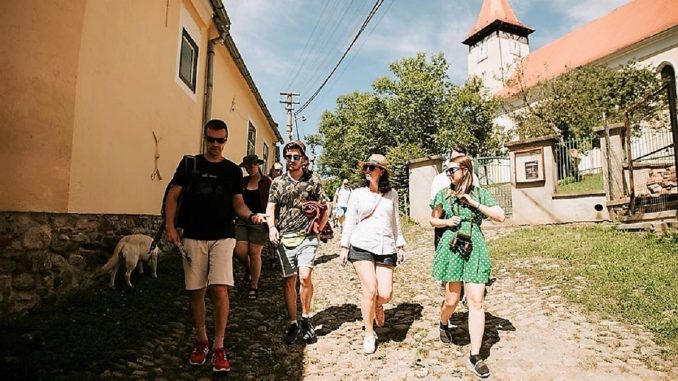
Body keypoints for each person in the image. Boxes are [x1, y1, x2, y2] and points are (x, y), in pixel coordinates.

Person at [165, 119, 265, 373]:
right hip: (193, 235)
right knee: (196, 291)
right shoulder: (190, 165)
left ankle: (219, 345)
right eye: (211, 139)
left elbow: (238, 204)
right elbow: (173, 196)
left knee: (219, 290)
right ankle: (202, 341)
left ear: (225, 141)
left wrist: (252, 216)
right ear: (205, 138)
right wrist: (170, 227)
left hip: (223, 236)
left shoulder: (232, 171)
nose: (215, 144)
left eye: (220, 140)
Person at [429, 155, 505, 379]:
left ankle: (475, 355)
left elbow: (500, 216)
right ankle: (444, 323)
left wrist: (473, 202)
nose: (449, 174)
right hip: (452, 246)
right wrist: (446, 222)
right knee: (452, 300)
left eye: (452, 170)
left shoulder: (479, 193)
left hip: (475, 247)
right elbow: (433, 220)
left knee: (476, 301)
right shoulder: (443, 195)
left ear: (465, 170)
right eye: (447, 171)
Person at [339, 154, 406, 355]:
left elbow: (395, 220)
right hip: (361, 245)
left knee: (385, 294)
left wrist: (400, 243)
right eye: (366, 167)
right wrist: (344, 246)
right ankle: (369, 333)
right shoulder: (358, 193)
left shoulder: (392, 193)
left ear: (382, 171)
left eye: (371, 168)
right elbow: (349, 220)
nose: (367, 171)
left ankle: (377, 306)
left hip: (385, 245)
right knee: (370, 288)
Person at [266, 140, 330, 345]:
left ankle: (306, 318)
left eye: (296, 157)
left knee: (304, 276)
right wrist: (272, 228)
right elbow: (271, 207)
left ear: (303, 159)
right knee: (289, 280)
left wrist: (319, 226)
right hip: (285, 237)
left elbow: (326, 205)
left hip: (307, 237)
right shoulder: (278, 182)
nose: (291, 160)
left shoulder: (313, 180)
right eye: (288, 157)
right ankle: (293, 323)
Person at [235, 154, 272, 300]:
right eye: (247, 167)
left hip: (259, 220)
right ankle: (249, 269)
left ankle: (254, 285)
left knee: (254, 252)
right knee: (240, 251)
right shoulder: (243, 182)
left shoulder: (266, 182)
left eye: (251, 166)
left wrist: (270, 219)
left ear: (258, 165)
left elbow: (272, 201)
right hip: (242, 219)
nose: (249, 169)